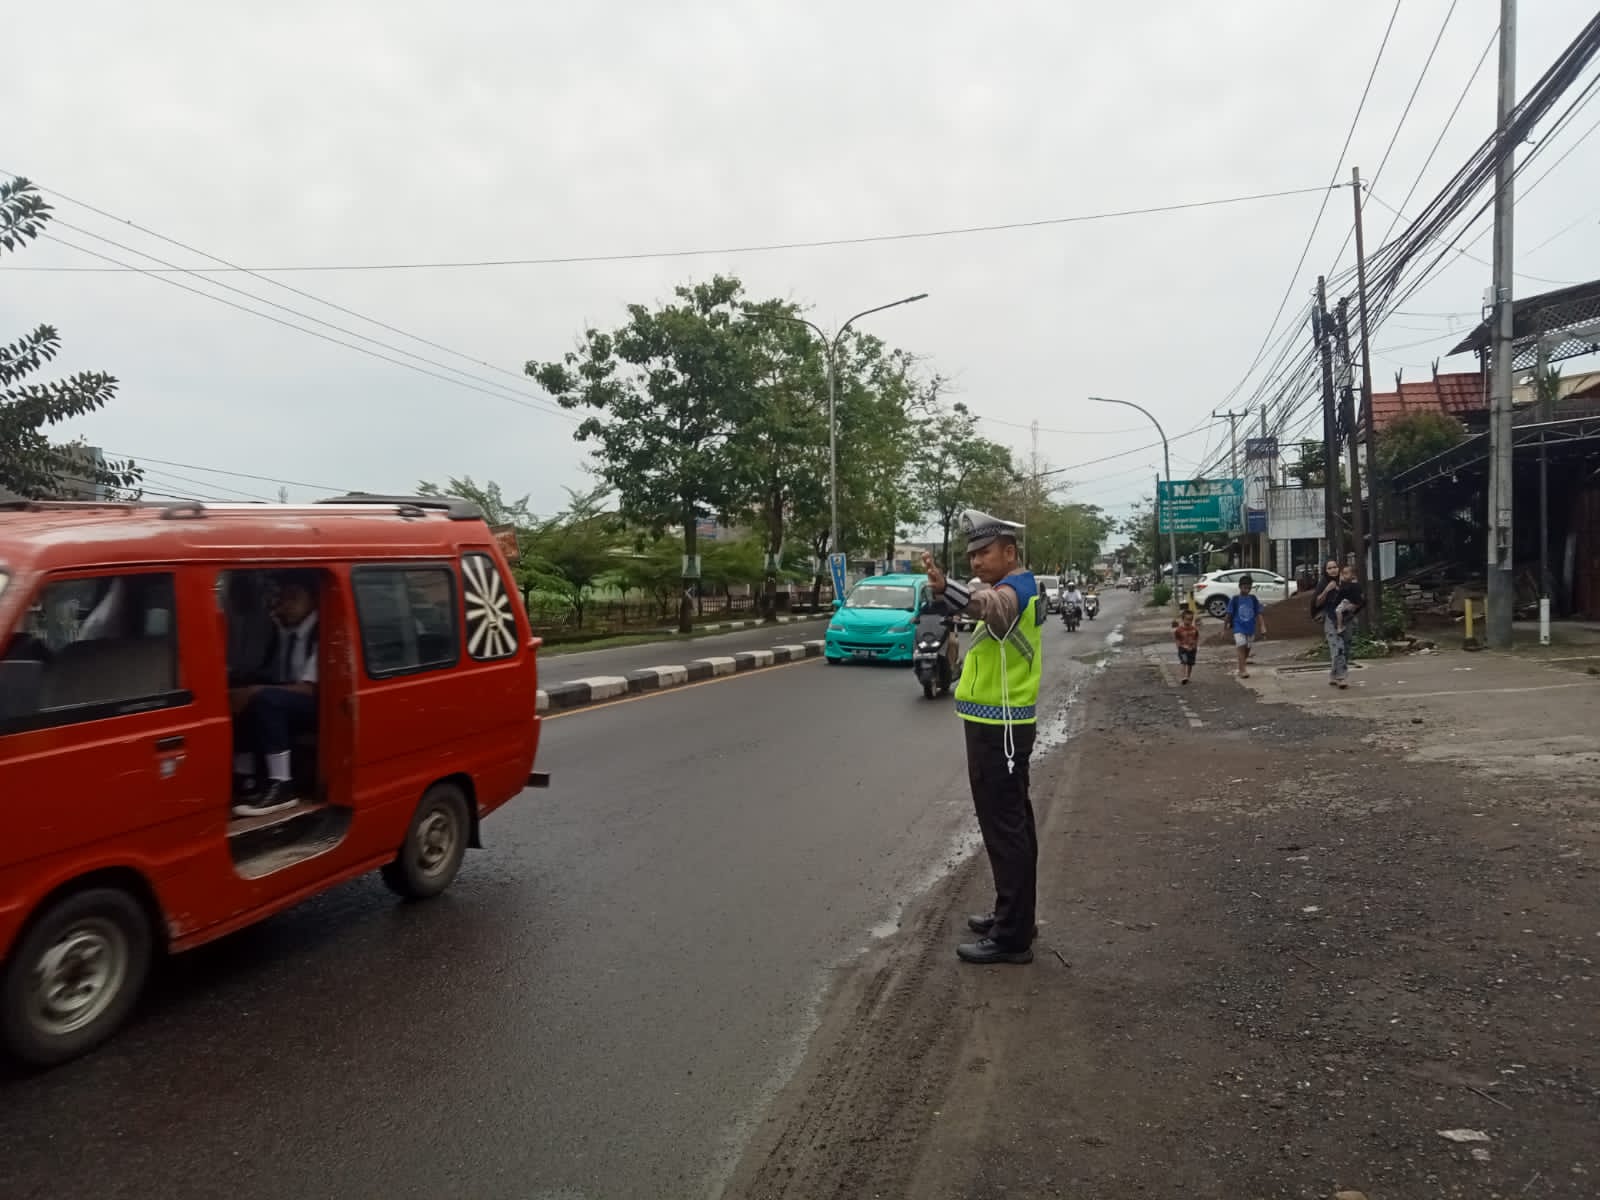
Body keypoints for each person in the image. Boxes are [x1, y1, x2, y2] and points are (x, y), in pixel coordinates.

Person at [921, 509, 1045, 966]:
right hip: (999, 721)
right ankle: (1014, 916)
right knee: (1014, 824)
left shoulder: (1016, 590)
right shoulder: (1016, 585)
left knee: (1005, 828)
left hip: (1001, 727)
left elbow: (990, 610)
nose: (975, 561)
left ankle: (1012, 937)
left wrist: (946, 589)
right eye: (971, 554)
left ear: (1009, 553)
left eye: (984, 552)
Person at [230, 571, 320, 817]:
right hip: (287, 696)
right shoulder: (282, 627)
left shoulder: (321, 631)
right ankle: (245, 778)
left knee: (265, 699)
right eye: (282, 598)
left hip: (318, 704)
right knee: (240, 695)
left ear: (313, 600)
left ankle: (282, 784)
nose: (285, 605)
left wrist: (258, 690)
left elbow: (309, 688)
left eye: (294, 598)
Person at [1312, 559, 1363, 688]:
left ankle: (1334, 674)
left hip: (1347, 619)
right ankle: (1342, 678)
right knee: (1337, 648)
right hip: (1331, 619)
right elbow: (1316, 603)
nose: (1333, 570)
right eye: (1329, 568)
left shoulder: (1347, 581)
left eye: (1335, 567)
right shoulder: (1324, 583)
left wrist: (1355, 606)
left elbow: (1360, 598)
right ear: (1325, 570)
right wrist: (1326, 590)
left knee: (1345, 648)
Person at [1225, 573, 1267, 679]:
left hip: (1250, 628)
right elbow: (1229, 614)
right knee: (1241, 645)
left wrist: (1262, 626)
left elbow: (1259, 613)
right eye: (1244, 587)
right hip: (1238, 627)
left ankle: (1241, 666)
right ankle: (1242, 670)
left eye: (1249, 588)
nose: (1247, 590)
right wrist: (1225, 627)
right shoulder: (1235, 599)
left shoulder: (1253, 599)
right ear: (1240, 587)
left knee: (1247, 649)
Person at [1173, 609, 1199, 684]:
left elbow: (1196, 637)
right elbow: (1177, 638)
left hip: (1192, 649)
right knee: (1184, 662)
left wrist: (1195, 645)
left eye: (1191, 620)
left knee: (1190, 663)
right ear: (1183, 619)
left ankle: (1188, 676)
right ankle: (1183, 677)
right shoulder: (1179, 630)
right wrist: (1179, 646)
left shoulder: (1194, 629)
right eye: (1187, 619)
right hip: (1183, 649)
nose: (1189, 621)